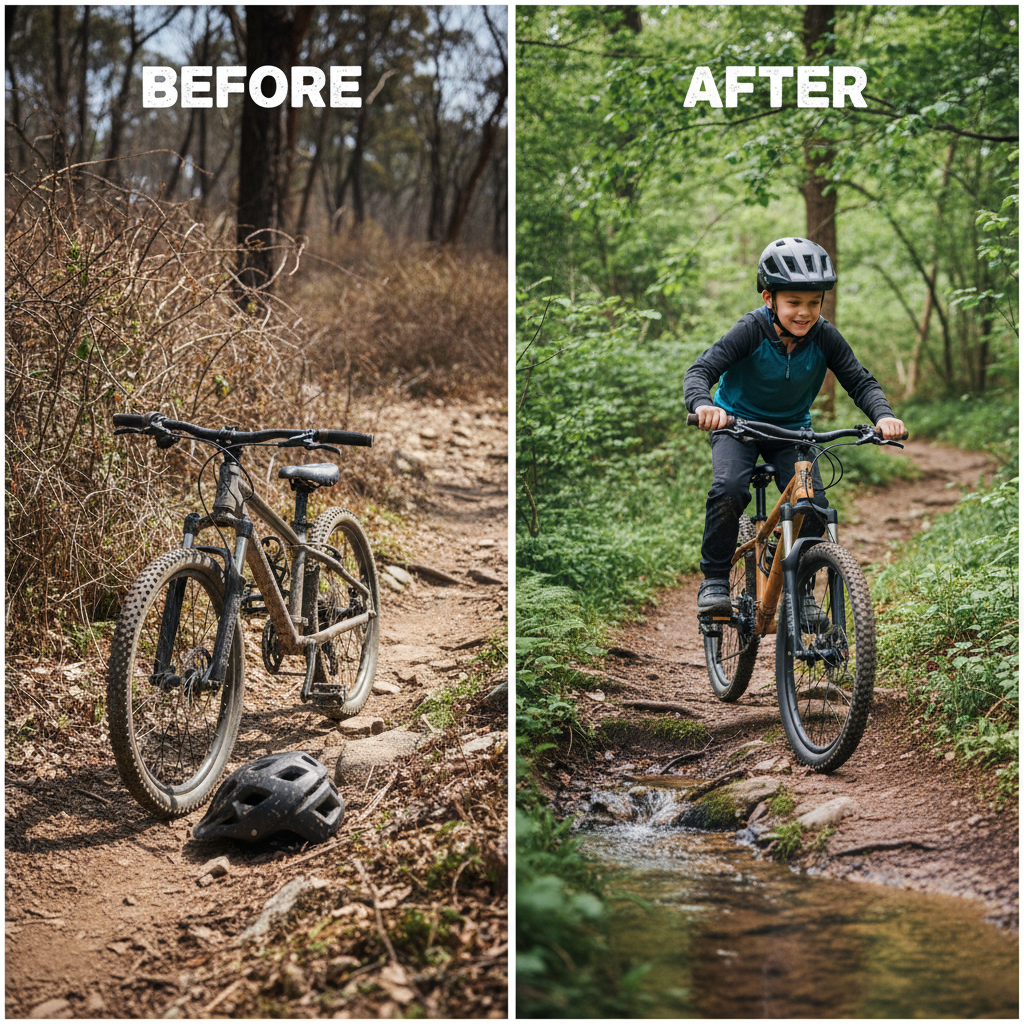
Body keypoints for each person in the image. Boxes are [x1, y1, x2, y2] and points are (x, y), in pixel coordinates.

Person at [683, 236, 906, 616]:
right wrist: (704, 405)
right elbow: (701, 371)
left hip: (792, 431)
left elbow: (860, 381)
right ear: (769, 299)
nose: (805, 313)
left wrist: (883, 415)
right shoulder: (751, 330)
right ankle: (716, 579)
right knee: (730, 488)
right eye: (794, 303)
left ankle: (796, 584)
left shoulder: (824, 336)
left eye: (814, 303)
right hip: (737, 425)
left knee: (814, 507)